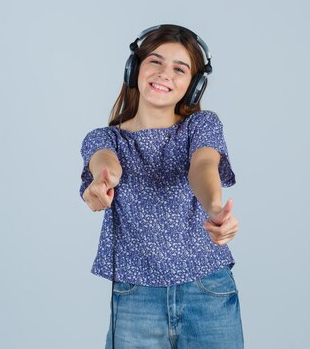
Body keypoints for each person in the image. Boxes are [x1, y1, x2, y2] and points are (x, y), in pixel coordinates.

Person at [79, 24, 243, 349]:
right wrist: (101, 182)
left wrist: (214, 207)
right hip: (135, 298)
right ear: (134, 69)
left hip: (206, 290)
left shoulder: (201, 125)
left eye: (179, 69)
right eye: (155, 61)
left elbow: (203, 165)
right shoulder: (106, 138)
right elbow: (104, 161)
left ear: (194, 86)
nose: (164, 73)